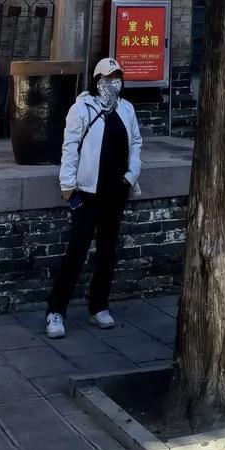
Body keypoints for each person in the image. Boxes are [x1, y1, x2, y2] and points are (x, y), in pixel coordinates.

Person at [46, 56, 142, 337]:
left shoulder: (126, 109)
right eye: (109, 78)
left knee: (108, 251)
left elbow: (136, 142)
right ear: (97, 81)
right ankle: (56, 311)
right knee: (77, 250)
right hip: (88, 192)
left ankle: (99, 305)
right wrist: (67, 184)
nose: (114, 83)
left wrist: (131, 175)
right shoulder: (82, 108)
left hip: (116, 190)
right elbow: (70, 146)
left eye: (118, 77)